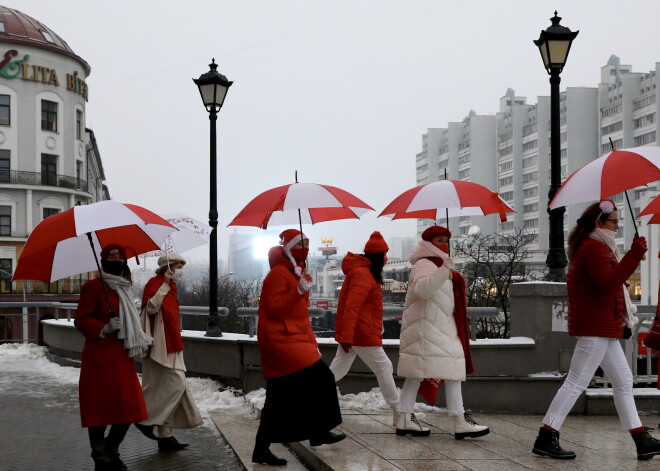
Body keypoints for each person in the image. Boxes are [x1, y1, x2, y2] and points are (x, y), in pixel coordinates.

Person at [533, 200, 660, 461]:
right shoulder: (593, 248)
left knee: (624, 382)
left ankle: (641, 440)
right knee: (576, 382)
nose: (617, 226)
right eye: (614, 221)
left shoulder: (597, 246)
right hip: (595, 327)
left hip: (602, 326)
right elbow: (607, 283)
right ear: (599, 222)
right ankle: (546, 436)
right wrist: (634, 255)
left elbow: (608, 285)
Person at [252, 229, 345, 466]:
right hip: (282, 341)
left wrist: (300, 287)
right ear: (288, 248)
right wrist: (298, 291)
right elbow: (274, 309)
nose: (305, 247)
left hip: (292, 338)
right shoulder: (278, 274)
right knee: (322, 378)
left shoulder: (294, 273)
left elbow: (299, 315)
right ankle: (319, 431)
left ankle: (261, 449)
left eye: (307, 243)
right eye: (300, 243)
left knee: (277, 399)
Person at [396, 226, 489, 439]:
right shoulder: (424, 264)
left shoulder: (436, 265)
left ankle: (405, 417)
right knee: (447, 369)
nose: (444, 244)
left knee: (419, 372)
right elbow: (422, 290)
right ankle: (458, 420)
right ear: (428, 243)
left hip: (434, 328)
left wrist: (445, 270)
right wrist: (443, 271)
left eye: (446, 240)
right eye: (439, 240)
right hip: (427, 329)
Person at [75, 244, 153, 471]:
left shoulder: (124, 289)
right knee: (99, 412)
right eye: (113, 257)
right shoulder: (92, 287)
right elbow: (81, 319)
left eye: (121, 257)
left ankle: (110, 449)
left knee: (129, 410)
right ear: (103, 261)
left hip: (121, 355)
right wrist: (104, 327)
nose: (117, 260)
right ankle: (102, 460)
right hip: (99, 357)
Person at [330, 231, 400, 424]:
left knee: (335, 373)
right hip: (361, 334)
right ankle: (399, 412)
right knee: (384, 367)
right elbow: (352, 307)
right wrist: (346, 337)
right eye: (384, 255)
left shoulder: (361, 273)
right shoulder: (364, 275)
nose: (386, 259)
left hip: (355, 334)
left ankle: (301, 402)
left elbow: (352, 307)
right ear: (378, 257)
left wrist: (346, 336)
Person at [136, 253, 203, 451]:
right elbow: (150, 308)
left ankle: (165, 436)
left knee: (169, 389)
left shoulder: (172, 287)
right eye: (178, 267)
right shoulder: (156, 283)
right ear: (168, 268)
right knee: (175, 386)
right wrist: (164, 284)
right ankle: (143, 419)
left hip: (172, 344)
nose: (180, 271)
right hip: (159, 345)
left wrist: (168, 285)